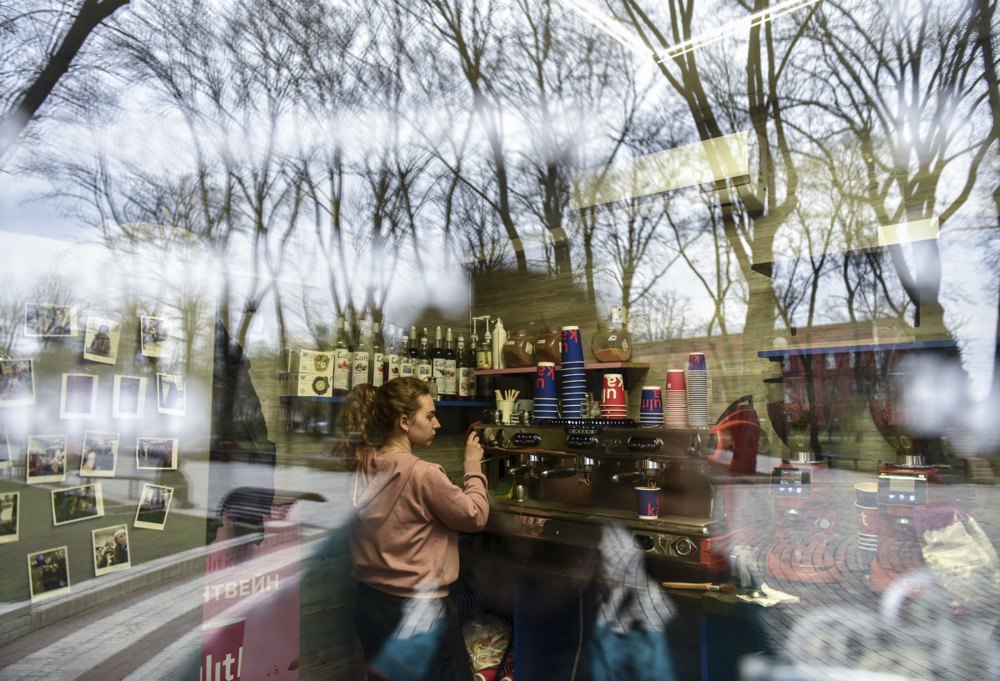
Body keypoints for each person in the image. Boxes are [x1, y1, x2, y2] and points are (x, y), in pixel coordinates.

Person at [345, 376, 488, 680]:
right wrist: (472, 466)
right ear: (405, 422)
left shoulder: (364, 462)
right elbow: (474, 516)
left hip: (371, 605)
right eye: (430, 415)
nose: (437, 424)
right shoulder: (423, 474)